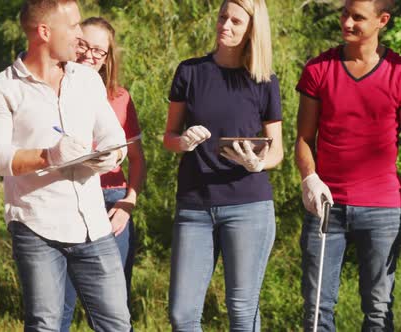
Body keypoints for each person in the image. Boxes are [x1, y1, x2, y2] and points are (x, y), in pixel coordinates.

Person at [0, 0, 131, 331]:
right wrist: (50, 155)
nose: (80, 35)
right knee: (45, 324)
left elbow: (114, 138)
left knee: (117, 323)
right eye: (73, 27)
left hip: (93, 226)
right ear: (44, 32)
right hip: (36, 226)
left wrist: (110, 155)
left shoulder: (87, 81)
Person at [163, 0, 283, 331]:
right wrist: (183, 141)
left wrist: (257, 163)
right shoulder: (190, 71)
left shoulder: (264, 80)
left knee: (242, 311)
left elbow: (278, 152)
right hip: (194, 208)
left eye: (235, 21)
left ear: (251, 30)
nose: (224, 26)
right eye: (222, 18)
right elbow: (169, 137)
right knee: (181, 315)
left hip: (249, 206)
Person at [295, 0, 400, 330]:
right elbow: (303, 139)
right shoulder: (318, 69)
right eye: (345, 13)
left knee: (379, 308)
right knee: (316, 307)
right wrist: (309, 177)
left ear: (382, 20)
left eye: (358, 17)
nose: (347, 22)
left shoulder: (398, 72)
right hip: (327, 206)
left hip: (383, 208)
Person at [60, 17, 147, 331]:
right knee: (59, 306)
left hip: (111, 201)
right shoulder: (53, 92)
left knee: (113, 309)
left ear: (109, 57)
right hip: (64, 201)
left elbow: (137, 160)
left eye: (100, 51)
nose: (89, 56)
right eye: (84, 45)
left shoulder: (119, 98)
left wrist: (127, 204)